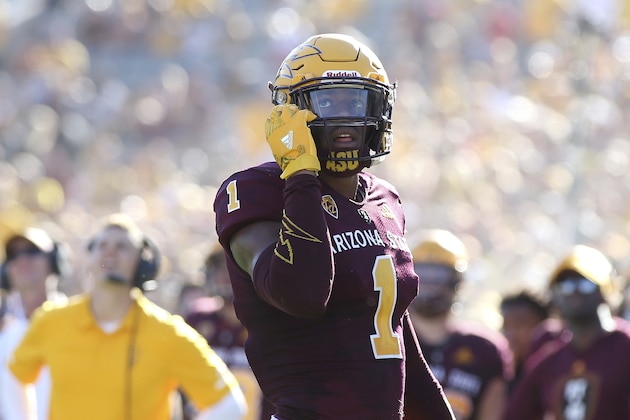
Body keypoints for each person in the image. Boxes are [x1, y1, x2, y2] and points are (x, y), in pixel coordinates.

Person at [213, 33, 454, 419]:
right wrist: (301, 176)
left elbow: (395, 332)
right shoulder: (254, 190)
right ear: (290, 113)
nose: (345, 118)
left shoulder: (384, 199)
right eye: (327, 101)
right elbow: (301, 294)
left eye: (355, 100)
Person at [8, 213, 247, 420]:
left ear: (143, 264)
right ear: (89, 259)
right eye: (102, 245)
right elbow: (14, 376)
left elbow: (230, 404)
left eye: (122, 246)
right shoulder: (51, 321)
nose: (110, 251)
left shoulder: (168, 333)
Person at [503, 245, 630, 420]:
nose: (575, 292)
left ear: (605, 290)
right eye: (565, 285)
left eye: (585, 283)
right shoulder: (549, 362)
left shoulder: (625, 348)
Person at [408, 229, 511, 420]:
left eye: (438, 277)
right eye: (422, 275)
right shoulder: (388, 341)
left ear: (456, 282)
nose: (429, 285)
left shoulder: (485, 350)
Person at [181, 244, 271, 420]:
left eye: (234, 264)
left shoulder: (269, 323)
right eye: (220, 267)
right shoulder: (197, 320)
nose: (225, 274)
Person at [0, 227, 70, 420]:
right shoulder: (4, 337)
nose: (23, 260)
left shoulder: (79, 324)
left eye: (32, 252)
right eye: (14, 255)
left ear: (55, 261)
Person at [499, 289, 551, 394]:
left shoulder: (551, 374)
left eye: (518, 326)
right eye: (506, 326)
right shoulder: (499, 372)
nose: (510, 334)